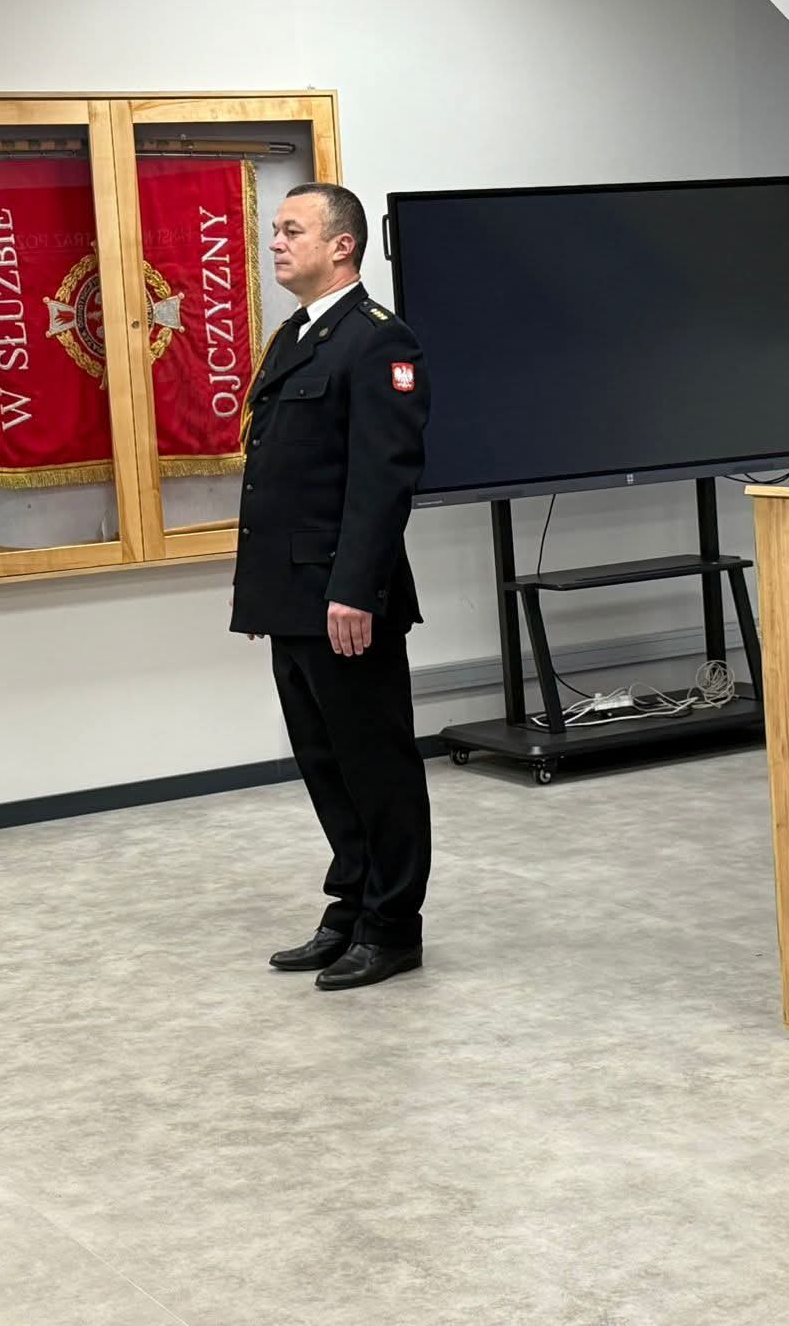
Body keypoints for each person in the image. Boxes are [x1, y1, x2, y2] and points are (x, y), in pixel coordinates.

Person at [231, 183, 432, 991]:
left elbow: (384, 480)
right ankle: (350, 907)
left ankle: (393, 926)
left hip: (346, 599)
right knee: (326, 762)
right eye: (275, 230)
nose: (275, 242)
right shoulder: (297, 336)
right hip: (292, 595)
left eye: (292, 230)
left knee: (375, 764)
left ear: (342, 246)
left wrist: (355, 590)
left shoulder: (377, 341)